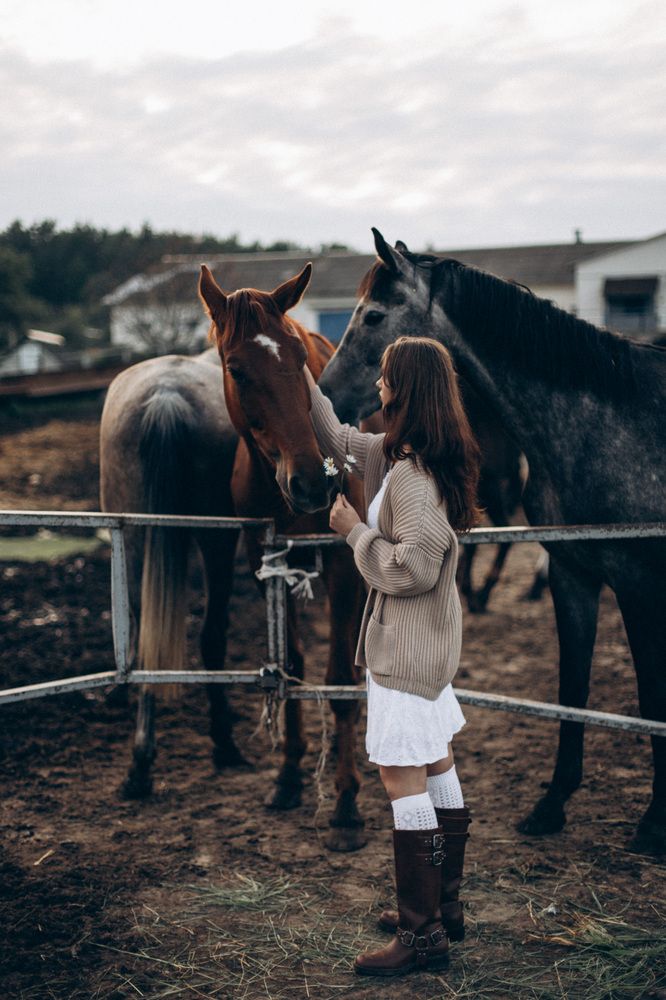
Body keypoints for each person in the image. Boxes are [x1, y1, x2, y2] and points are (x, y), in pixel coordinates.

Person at [305, 336, 481, 978]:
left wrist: (354, 532)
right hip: (426, 648)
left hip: (405, 652)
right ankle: (445, 905)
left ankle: (420, 934)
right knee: (436, 765)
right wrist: (298, 368)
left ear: (405, 390)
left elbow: (416, 564)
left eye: (384, 379)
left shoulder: (410, 477)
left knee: (401, 779)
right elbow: (336, 435)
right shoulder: (402, 454)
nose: (377, 387)